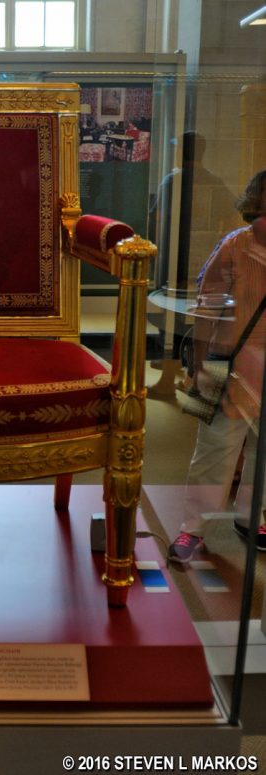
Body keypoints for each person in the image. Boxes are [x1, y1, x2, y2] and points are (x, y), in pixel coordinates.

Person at [168, 169, 266, 563]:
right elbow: (208, 306)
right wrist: (202, 361)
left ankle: (252, 516)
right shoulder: (235, 246)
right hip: (233, 361)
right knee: (216, 449)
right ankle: (193, 527)